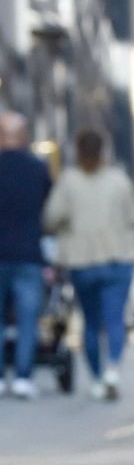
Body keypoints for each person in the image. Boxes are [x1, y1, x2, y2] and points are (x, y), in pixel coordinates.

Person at [44, 128, 134, 399]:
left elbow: (51, 217)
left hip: (83, 261)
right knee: (115, 320)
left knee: (90, 323)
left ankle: (97, 378)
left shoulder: (69, 181)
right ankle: (112, 370)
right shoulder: (119, 179)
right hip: (118, 257)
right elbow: (132, 216)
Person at [0, 112, 52, 400]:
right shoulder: (38, 168)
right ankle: (23, 377)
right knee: (27, 320)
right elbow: (49, 209)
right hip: (29, 253)